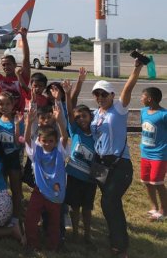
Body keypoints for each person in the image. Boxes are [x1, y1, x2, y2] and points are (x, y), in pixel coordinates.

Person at [90, 56, 145, 257]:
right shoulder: (96, 114)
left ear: (111, 95)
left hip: (120, 164)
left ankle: (120, 247)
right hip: (101, 164)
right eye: (97, 95)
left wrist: (136, 69)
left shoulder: (118, 109)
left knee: (108, 202)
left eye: (104, 94)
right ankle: (116, 237)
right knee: (111, 203)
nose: (100, 97)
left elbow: (127, 90)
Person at [24, 104, 67, 251]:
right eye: (44, 141)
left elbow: (65, 137)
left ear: (56, 142)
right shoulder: (35, 153)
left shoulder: (60, 152)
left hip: (56, 193)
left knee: (54, 222)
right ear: (39, 141)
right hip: (39, 191)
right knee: (30, 218)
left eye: (51, 141)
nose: (47, 144)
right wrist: (29, 123)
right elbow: (27, 140)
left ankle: (53, 245)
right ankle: (32, 243)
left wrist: (59, 120)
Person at [63, 75, 97, 242]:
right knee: (74, 207)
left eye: (84, 115)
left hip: (90, 179)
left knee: (87, 208)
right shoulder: (75, 131)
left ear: (90, 117)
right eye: (78, 117)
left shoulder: (96, 135)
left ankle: (88, 233)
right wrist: (68, 94)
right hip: (74, 177)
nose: (81, 119)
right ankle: (75, 233)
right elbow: (69, 113)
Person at [0, 91, 24, 225]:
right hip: (0, 158)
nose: (4, 107)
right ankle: (2, 213)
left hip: (13, 158)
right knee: (1, 188)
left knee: (15, 189)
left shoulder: (17, 121)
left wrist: (17, 125)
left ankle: (16, 218)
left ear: (13, 105)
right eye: (1, 104)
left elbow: (18, 143)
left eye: (7, 104)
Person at [139, 86, 166, 221]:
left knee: (157, 182)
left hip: (159, 155)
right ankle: (154, 207)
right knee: (146, 181)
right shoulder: (143, 112)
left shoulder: (164, 115)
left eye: (142, 96)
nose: (141, 98)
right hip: (145, 153)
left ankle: (164, 210)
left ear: (149, 99)